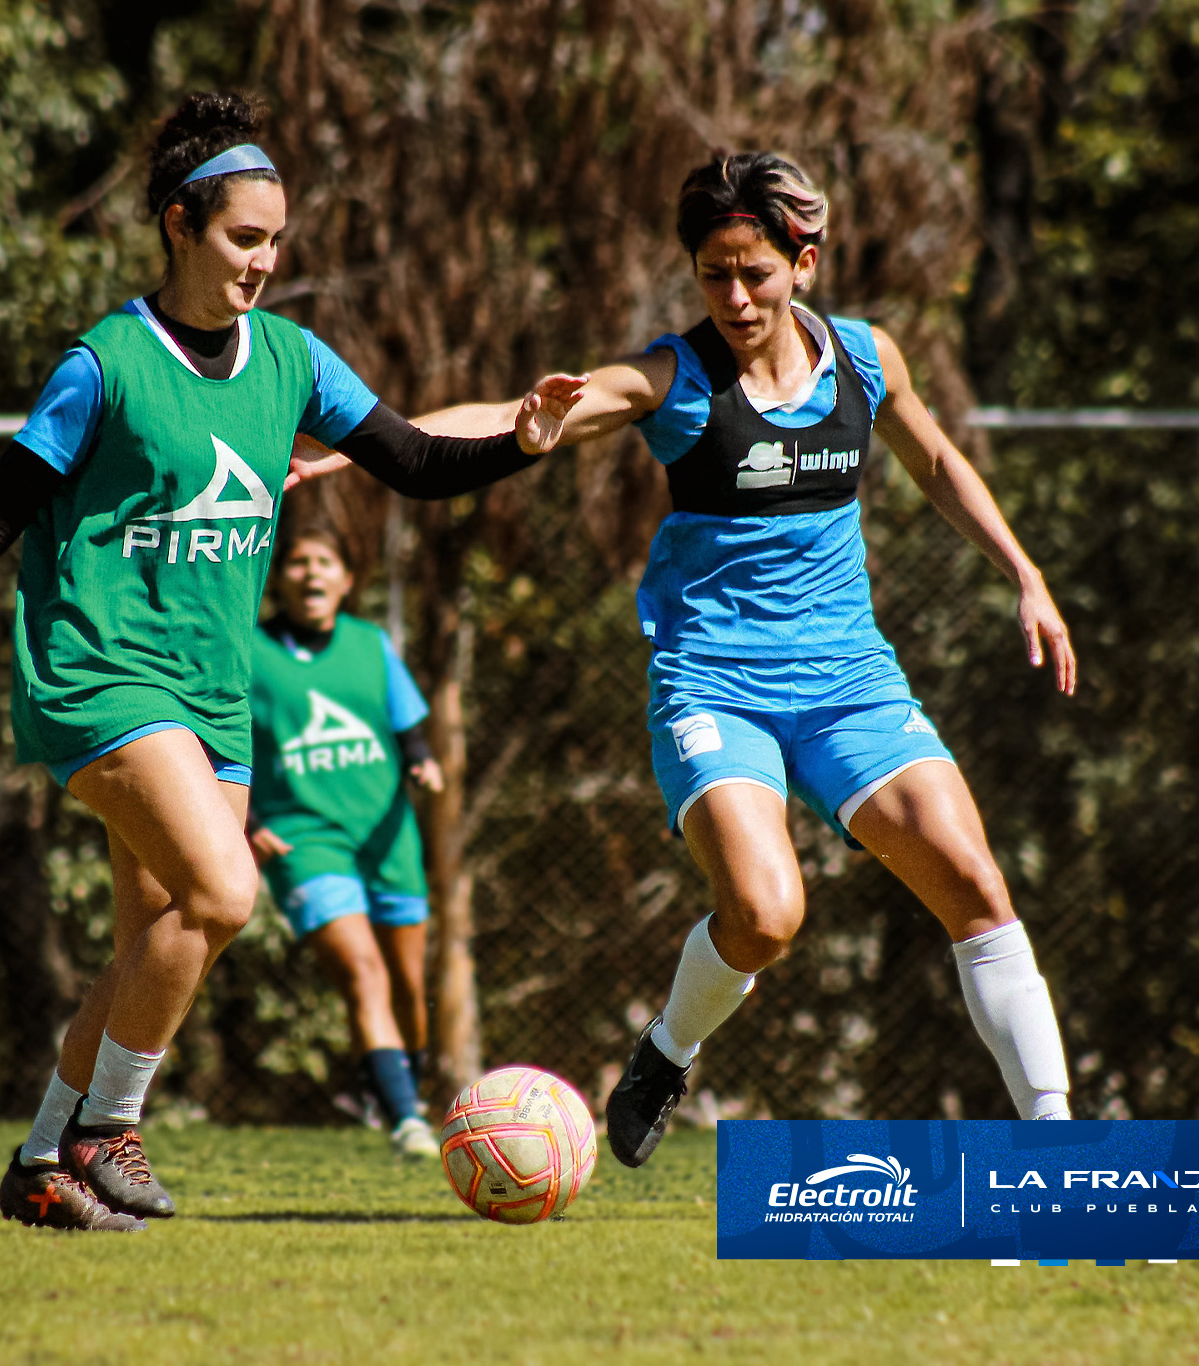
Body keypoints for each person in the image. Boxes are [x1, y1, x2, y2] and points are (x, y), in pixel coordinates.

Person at [0, 90, 579, 1230]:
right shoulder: (107, 362)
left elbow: (406, 457)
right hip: (98, 670)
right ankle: (110, 1129)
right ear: (178, 225)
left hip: (216, 689)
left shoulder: (292, 360)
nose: (263, 261)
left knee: (154, 942)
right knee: (225, 889)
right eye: (243, 238)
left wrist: (520, 439)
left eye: (275, 242)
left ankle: (40, 1162)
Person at [424, 152, 1079, 1165]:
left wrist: (1026, 573)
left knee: (975, 884)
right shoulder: (673, 380)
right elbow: (513, 411)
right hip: (715, 682)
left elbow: (940, 462)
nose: (733, 296)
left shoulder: (866, 360)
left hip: (849, 681)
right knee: (768, 916)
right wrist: (363, 441)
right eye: (712, 275)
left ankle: (1057, 1144)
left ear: (804, 261)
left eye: (755, 272)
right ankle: (667, 1048)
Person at [247, 527, 443, 1158]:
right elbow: (212, 742)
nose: (310, 574)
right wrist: (244, 821)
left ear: (346, 580)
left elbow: (407, 724)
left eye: (324, 562)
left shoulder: (370, 643)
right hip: (304, 837)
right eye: (298, 562)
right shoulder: (246, 652)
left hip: (386, 833)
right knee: (363, 970)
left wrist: (421, 762)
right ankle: (404, 1119)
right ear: (279, 578)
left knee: (410, 983)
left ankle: (402, 1087)